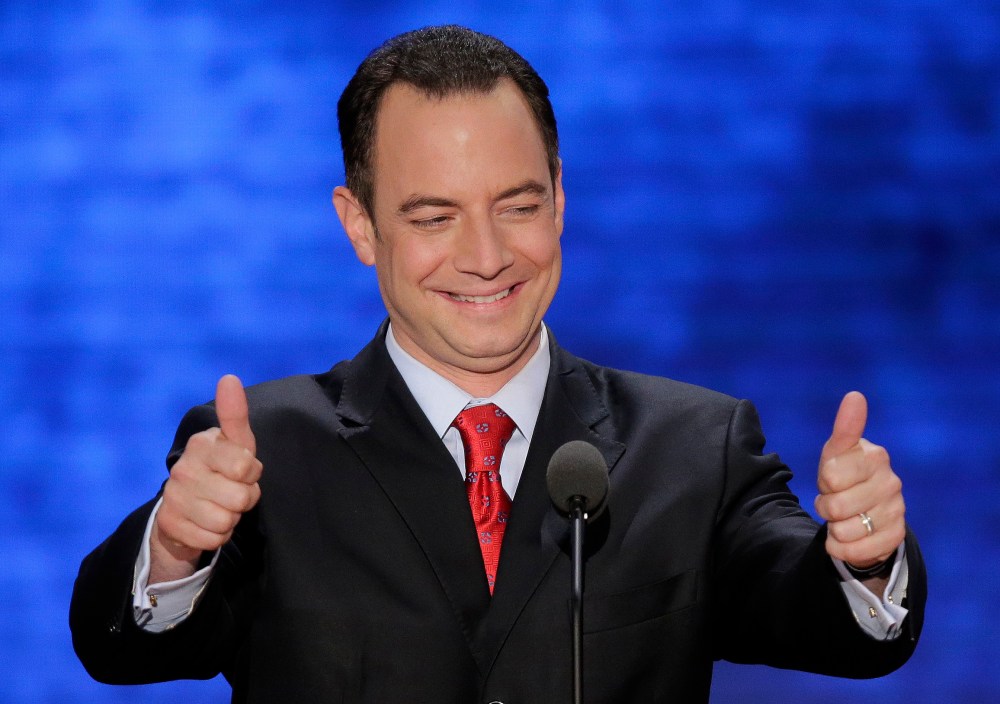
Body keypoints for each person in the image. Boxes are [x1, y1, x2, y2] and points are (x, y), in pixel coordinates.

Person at [70, 25, 925, 703]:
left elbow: (830, 623)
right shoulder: (265, 453)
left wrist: (863, 558)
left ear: (560, 195)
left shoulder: (695, 444)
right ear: (360, 225)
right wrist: (178, 549)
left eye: (518, 205)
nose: (486, 256)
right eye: (434, 217)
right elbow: (125, 653)